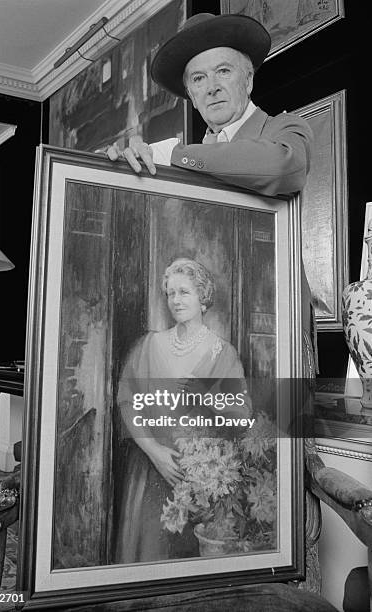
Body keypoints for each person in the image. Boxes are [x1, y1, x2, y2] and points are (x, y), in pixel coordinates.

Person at [106, 12, 317, 379]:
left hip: (277, 338)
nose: (212, 87)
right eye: (199, 79)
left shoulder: (283, 127)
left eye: (224, 71)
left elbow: (284, 167)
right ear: (191, 93)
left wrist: (172, 156)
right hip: (208, 347)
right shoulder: (178, 165)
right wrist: (116, 170)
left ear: (248, 80)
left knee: (280, 430)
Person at [114, 258, 251, 563]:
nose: (175, 300)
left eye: (184, 292)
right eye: (170, 293)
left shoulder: (223, 353)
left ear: (203, 298)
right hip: (150, 472)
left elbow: (242, 416)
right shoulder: (149, 345)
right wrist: (152, 449)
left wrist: (208, 397)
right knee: (146, 559)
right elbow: (127, 400)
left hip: (198, 481)